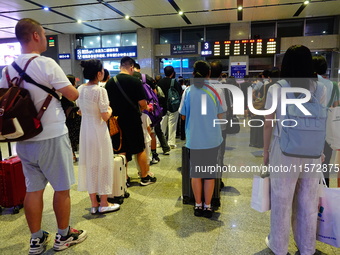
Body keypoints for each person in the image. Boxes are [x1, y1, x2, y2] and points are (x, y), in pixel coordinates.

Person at [0, 18, 87, 254]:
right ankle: (63, 235)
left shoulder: (7, 70)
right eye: (44, 32)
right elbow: (73, 95)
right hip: (51, 135)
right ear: (36, 36)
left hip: (23, 138)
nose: (47, 36)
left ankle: (36, 240)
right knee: (61, 188)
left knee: (33, 190)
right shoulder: (46, 64)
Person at [263, 45, 326, 255]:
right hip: (313, 152)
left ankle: (279, 247)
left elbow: (268, 123)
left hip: (284, 151)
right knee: (308, 202)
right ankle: (307, 248)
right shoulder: (321, 89)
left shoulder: (277, 88)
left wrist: (265, 153)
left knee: (282, 200)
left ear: (286, 64)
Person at [179, 60, 226, 218]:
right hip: (212, 139)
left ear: (193, 73)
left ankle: (198, 205)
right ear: (208, 74)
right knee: (209, 174)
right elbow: (220, 116)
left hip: (195, 139)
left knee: (196, 173)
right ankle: (208, 206)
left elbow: (183, 116)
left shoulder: (188, 91)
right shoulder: (215, 91)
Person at [77, 59, 120, 214]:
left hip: (86, 131)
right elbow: (105, 116)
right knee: (103, 163)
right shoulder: (100, 90)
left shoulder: (80, 89)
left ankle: (94, 204)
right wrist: (110, 109)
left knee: (90, 164)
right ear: (99, 73)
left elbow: (80, 110)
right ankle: (104, 202)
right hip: (98, 131)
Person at [105, 57, 157, 186]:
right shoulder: (134, 81)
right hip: (132, 119)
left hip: (116, 121)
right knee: (139, 148)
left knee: (122, 150)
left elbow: (108, 103)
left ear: (120, 66)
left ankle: (125, 178)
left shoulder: (110, 82)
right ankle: (144, 177)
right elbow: (143, 104)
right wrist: (145, 107)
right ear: (132, 67)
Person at [313, 55, 340, 187]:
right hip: (327, 130)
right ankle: (324, 192)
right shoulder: (333, 85)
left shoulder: (309, 83)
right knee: (325, 162)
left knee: (310, 164)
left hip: (312, 129)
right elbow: (336, 106)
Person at [158, 65, 182, 149]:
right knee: (172, 124)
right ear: (172, 73)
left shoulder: (159, 82)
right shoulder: (174, 82)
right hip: (173, 107)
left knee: (162, 125)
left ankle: (159, 142)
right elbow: (179, 94)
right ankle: (171, 143)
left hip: (162, 107)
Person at [61, 74, 81, 163]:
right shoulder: (71, 93)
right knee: (72, 138)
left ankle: (72, 154)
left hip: (69, 119)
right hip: (72, 119)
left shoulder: (62, 93)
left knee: (71, 138)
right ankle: (72, 154)